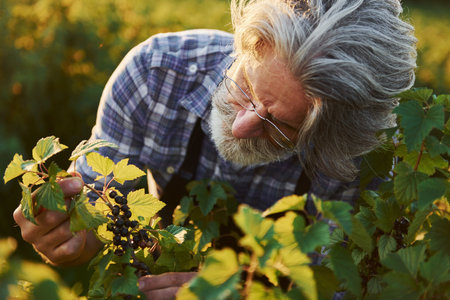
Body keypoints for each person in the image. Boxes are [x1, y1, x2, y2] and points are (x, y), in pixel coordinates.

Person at [13, 0, 416, 298]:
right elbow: (100, 221)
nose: (242, 127)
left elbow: (341, 285)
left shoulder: (362, 160)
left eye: (280, 125)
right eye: (246, 87)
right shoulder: (155, 74)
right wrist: (70, 238)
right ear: (246, 44)